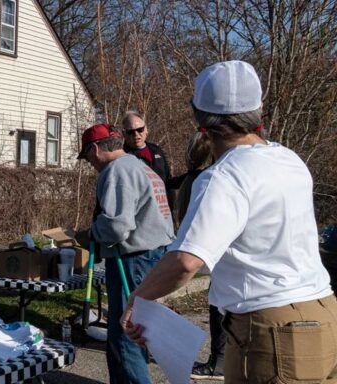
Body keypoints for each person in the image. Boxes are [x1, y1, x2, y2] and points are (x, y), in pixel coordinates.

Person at [122, 61, 336, 384]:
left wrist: (138, 298)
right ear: (258, 110)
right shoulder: (290, 160)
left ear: (200, 120)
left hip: (271, 332)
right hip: (324, 313)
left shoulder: (222, 177)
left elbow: (186, 260)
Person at [77, 123, 175, 384]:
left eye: (87, 157)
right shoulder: (141, 167)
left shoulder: (116, 171)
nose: (89, 163)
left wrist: (90, 234)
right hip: (153, 255)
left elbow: (117, 226)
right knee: (138, 332)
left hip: (134, 260)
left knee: (126, 333)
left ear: (96, 149)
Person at [172, 132, 227, 380]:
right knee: (220, 310)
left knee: (221, 310)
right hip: (220, 261)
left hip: (219, 262)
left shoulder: (199, 182)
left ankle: (221, 360)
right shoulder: (208, 181)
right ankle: (220, 360)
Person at [121, 111, 174, 210]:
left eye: (140, 130)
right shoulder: (122, 157)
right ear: (124, 134)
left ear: (146, 130)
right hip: (141, 213)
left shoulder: (156, 150)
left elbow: (167, 181)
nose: (136, 134)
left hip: (164, 211)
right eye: (130, 132)